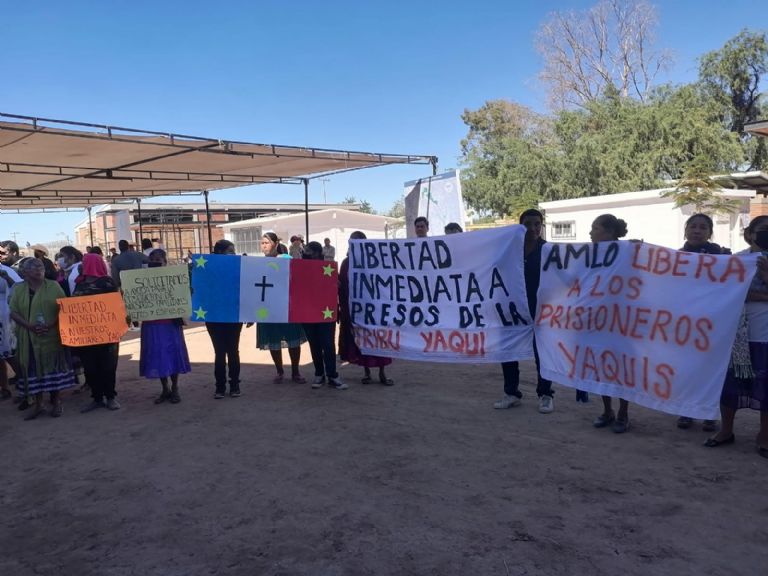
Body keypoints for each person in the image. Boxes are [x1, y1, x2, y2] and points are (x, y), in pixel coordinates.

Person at [704, 215, 768, 457]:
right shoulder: (738, 261)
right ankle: (726, 430)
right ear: (750, 234)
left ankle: (764, 436)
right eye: (762, 230)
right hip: (738, 334)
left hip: (766, 336)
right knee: (730, 385)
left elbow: (743, 294)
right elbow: (726, 293)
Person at [494, 208, 555, 414]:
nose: (533, 228)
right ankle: (511, 393)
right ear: (520, 227)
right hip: (511, 308)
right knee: (508, 350)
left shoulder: (548, 250)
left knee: (543, 354)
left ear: (542, 225)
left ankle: (545, 394)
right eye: (528, 224)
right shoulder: (509, 250)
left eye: (537, 224)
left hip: (540, 308)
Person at [9, 258, 76, 419]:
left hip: (51, 336)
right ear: (25, 273)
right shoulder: (18, 289)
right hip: (29, 336)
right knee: (33, 369)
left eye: (41, 267)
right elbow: (14, 312)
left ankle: (57, 402)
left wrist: (52, 324)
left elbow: (64, 307)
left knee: (53, 368)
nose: (39, 270)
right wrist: (29, 326)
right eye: (34, 268)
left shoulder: (53, 286)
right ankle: (39, 404)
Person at [677, 213, 726, 432]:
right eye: (693, 226)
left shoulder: (723, 256)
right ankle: (685, 411)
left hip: (712, 323)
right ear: (685, 230)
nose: (697, 231)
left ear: (709, 232)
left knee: (710, 370)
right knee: (686, 368)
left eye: (703, 227)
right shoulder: (674, 257)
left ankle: (708, 414)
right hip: (683, 323)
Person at [588, 214, 632, 433]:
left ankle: (623, 412)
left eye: (595, 228)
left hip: (622, 320)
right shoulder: (588, 254)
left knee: (622, 368)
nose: (591, 233)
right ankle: (607, 410)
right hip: (598, 319)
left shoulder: (628, 252)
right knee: (601, 365)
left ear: (609, 233)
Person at [338, 231, 393, 386]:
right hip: (355, 310)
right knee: (361, 341)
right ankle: (367, 373)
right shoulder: (346, 263)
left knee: (378, 339)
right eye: (351, 241)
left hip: (374, 309)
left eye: (357, 241)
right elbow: (343, 288)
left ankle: (383, 373)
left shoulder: (374, 261)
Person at [140, 249, 191, 404]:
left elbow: (183, 295)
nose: (156, 262)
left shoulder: (174, 277)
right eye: (153, 260)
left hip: (170, 323)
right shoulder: (142, 280)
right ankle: (165, 388)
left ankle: (175, 388)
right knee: (157, 356)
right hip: (151, 324)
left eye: (159, 259)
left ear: (165, 261)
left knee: (173, 354)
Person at [73, 253, 122, 412]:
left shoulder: (107, 283)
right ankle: (97, 397)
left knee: (108, 365)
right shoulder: (79, 283)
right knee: (90, 367)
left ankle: (110, 397)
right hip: (86, 334)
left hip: (107, 333)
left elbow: (115, 304)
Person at [258, 232, 306, 383]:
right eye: (262, 243)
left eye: (267, 242)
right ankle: (279, 371)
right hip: (268, 308)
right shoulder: (256, 264)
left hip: (287, 306)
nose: (264, 246)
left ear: (275, 244)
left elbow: (298, 278)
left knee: (293, 338)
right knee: (273, 339)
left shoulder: (286, 260)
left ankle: (295, 372)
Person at [299, 241, 347, 390]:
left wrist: (337, 285)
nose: (308, 256)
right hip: (308, 313)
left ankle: (332, 375)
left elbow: (340, 288)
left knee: (327, 344)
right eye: (306, 253)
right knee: (315, 345)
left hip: (326, 313)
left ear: (319, 253)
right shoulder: (300, 270)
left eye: (311, 253)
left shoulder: (329, 269)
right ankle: (319, 374)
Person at [206, 239, 247, 399]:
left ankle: (234, 384)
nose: (233, 254)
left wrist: (248, 313)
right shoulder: (207, 269)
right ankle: (220, 386)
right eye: (230, 251)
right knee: (220, 352)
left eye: (234, 251)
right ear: (220, 253)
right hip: (215, 316)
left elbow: (244, 289)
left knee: (232, 351)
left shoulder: (238, 268)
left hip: (232, 315)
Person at [0, 262, 22, 400]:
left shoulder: (6, 271)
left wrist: (7, 278)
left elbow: (18, 288)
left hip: (4, 317)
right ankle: (5, 388)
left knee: (9, 353)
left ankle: (25, 385)